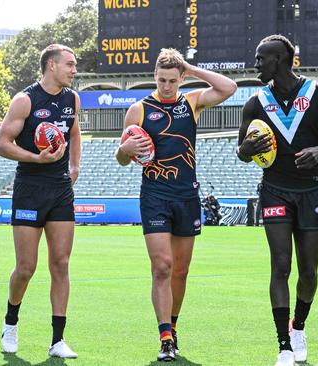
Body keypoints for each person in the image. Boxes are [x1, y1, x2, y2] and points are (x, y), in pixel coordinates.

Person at [115, 48, 236, 362]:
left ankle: (174, 327)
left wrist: (193, 69)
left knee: (181, 271)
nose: (166, 86)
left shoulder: (191, 102)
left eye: (172, 80)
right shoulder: (138, 109)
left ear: (181, 78)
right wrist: (125, 150)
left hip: (186, 196)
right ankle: (165, 336)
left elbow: (228, 88)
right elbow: (123, 159)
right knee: (162, 267)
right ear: (154, 76)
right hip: (154, 196)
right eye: (161, 79)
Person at [237, 34, 318, 366]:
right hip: (274, 190)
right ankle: (284, 345)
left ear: (279, 60)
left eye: (260, 59)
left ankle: (299, 326)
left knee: (309, 271)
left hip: (310, 190)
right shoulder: (255, 102)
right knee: (281, 264)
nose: (255, 64)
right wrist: (247, 150)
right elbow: (241, 151)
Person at [0, 44, 81, 359]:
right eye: (70, 65)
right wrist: (36, 158)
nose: (74, 70)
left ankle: (57, 340)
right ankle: (11, 321)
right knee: (26, 267)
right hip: (30, 188)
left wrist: (74, 167)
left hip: (60, 190)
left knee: (60, 263)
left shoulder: (73, 98)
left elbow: (74, 132)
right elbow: (2, 144)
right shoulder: (25, 100)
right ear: (51, 66)